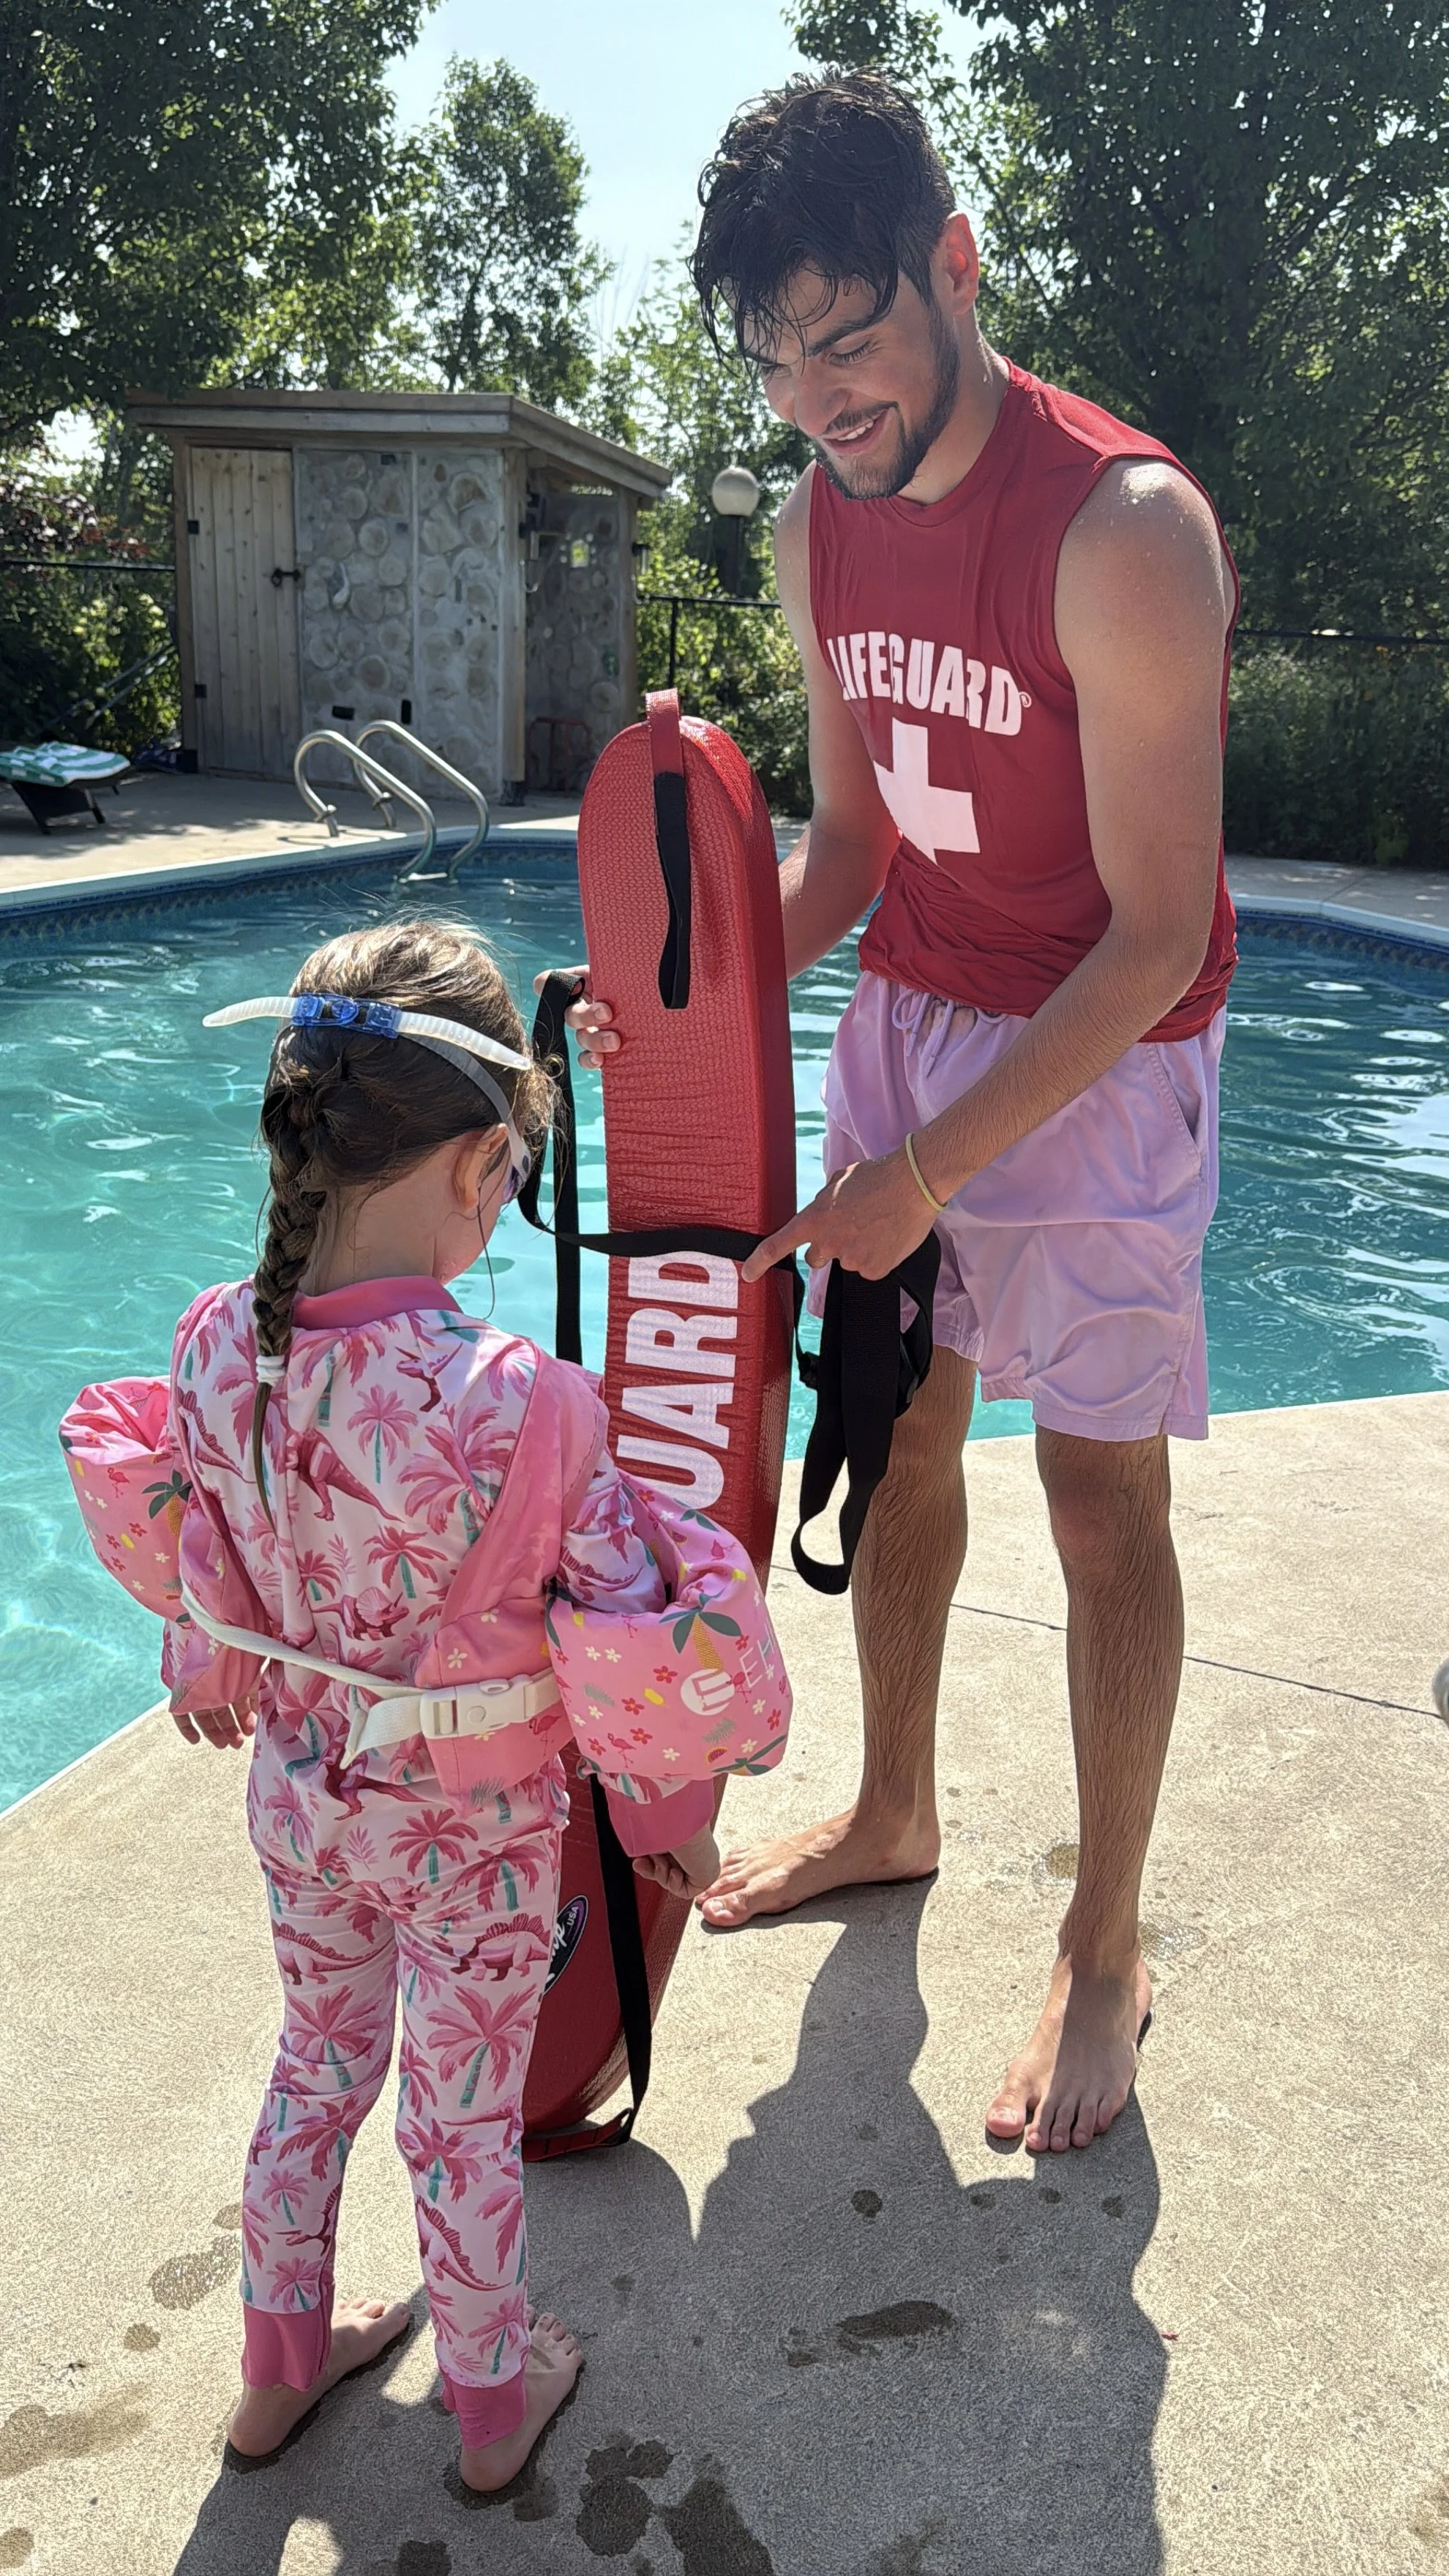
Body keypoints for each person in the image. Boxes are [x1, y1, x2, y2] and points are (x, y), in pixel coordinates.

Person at [568, 74, 1238, 2156]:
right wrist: (690, 1010)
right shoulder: (807, 517)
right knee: (900, 1435)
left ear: (954, 269)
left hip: (1103, 1064)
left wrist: (916, 1175)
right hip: (911, 1024)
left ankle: (1103, 1945)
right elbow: (854, 837)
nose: (812, 396)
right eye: (771, 358)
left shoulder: (1122, 532)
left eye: (845, 335)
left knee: (1098, 1505)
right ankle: (893, 1800)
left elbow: (1145, 942)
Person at [64, 921, 727, 2490]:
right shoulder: (533, 1403)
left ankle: (279, 2362)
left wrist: (208, 1666)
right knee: (459, 2115)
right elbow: (629, 1649)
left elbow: (207, 1559)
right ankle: (492, 2399)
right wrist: (670, 1827)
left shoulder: (218, 1342)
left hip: (304, 1807)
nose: (503, 1205)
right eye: (506, 1179)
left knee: (316, 2063)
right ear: (476, 1162)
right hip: (476, 1836)